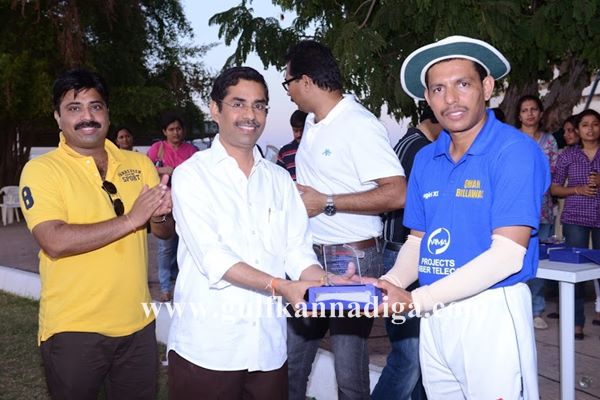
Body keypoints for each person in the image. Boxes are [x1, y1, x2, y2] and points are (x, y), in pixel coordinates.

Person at [379, 35, 549, 399]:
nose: (451, 99)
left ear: (486, 88)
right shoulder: (426, 158)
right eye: (438, 89)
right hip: (434, 313)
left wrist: (415, 301)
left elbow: (507, 255)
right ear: (427, 99)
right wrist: (386, 284)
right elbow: (418, 242)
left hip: (491, 310)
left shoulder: (514, 150)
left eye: (463, 84)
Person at [166, 66, 328, 400]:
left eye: (259, 105)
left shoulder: (279, 179)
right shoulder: (192, 175)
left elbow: (296, 249)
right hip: (209, 349)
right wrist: (280, 286)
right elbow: (213, 257)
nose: (250, 115)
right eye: (238, 104)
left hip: (267, 349)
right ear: (215, 109)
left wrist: (322, 282)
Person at [19, 68, 174, 399]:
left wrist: (161, 214)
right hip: (73, 329)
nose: (87, 117)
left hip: (137, 325)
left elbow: (162, 233)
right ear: (58, 116)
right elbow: (54, 241)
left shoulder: (139, 164)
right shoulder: (42, 170)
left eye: (96, 106)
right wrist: (132, 219)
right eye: (74, 108)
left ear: (107, 113)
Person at [283, 40, 406, 400]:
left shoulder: (358, 124)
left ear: (306, 81)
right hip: (309, 257)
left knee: (349, 371)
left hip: (351, 257)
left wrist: (326, 202)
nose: (287, 92)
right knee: (292, 361)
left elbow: (397, 192)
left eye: (288, 82)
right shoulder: (312, 122)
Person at [371, 104, 441, 400]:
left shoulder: (406, 143)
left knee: (420, 357)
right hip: (406, 251)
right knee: (408, 360)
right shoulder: (422, 151)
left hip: (400, 249)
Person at [550, 108, 600, 339]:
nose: (590, 129)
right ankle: (576, 322)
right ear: (578, 130)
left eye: (595, 124)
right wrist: (577, 189)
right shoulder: (568, 156)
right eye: (585, 125)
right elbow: (554, 188)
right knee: (576, 270)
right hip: (576, 217)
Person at [515, 94, 559, 330]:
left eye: (533, 109)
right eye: (525, 110)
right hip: (515, 210)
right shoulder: (511, 139)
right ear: (519, 115)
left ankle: (537, 310)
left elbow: (553, 173)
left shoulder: (549, 141)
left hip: (542, 210)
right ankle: (516, 310)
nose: (529, 114)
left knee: (539, 263)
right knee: (514, 260)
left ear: (540, 113)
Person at [147, 113, 197, 301]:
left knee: (185, 245)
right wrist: (163, 170)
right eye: (171, 129)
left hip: (186, 206)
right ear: (164, 132)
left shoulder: (192, 151)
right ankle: (165, 287)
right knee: (165, 247)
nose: (175, 132)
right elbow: (145, 169)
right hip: (164, 206)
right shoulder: (157, 149)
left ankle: (181, 284)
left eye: (178, 128)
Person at [277, 109, 308, 180]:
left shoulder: (315, 148)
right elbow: (279, 176)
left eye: (302, 130)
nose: (298, 134)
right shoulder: (285, 151)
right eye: (295, 131)